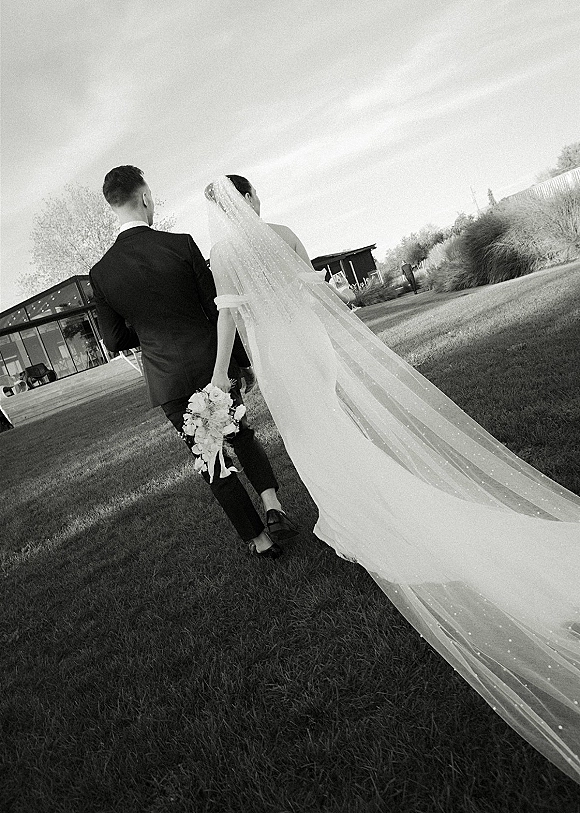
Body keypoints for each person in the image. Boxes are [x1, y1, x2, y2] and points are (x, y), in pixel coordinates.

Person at [205, 175, 580, 784]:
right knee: (333, 430)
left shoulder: (224, 254)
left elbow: (229, 320)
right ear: (250, 200)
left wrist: (222, 378)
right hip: (309, 345)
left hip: (277, 356)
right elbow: (311, 291)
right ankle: (355, 504)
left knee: (312, 440)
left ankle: (354, 514)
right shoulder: (282, 235)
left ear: (221, 210)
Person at [90, 166, 298, 560]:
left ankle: (259, 541)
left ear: (112, 206)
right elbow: (218, 308)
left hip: (167, 380)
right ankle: (273, 507)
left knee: (211, 458)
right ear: (146, 197)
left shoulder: (100, 273)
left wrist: (150, 334)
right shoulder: (181, 245)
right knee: (241, 436)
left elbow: (115, 339)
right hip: (209, 364)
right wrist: (239, 363)